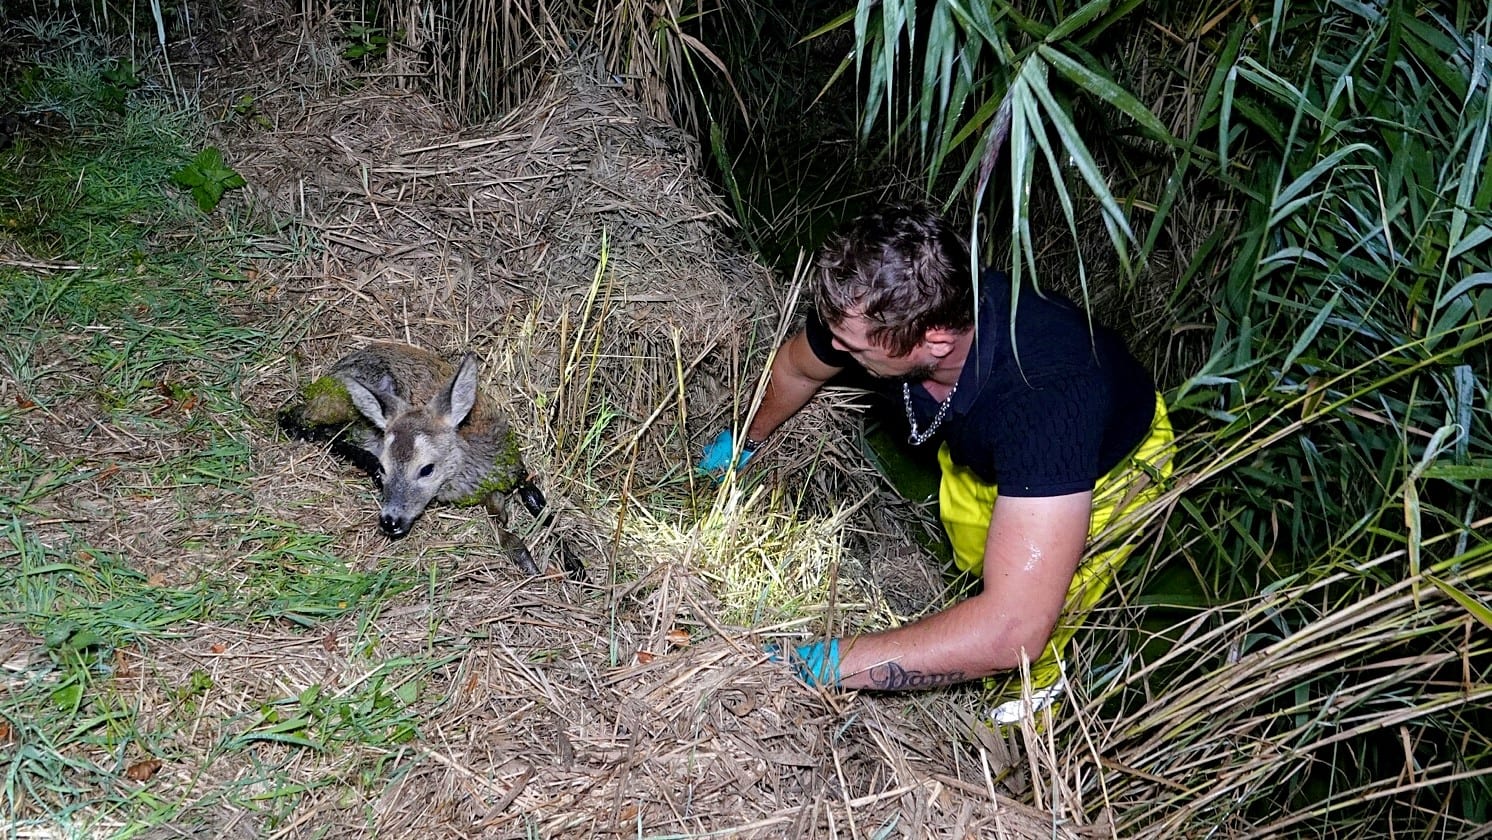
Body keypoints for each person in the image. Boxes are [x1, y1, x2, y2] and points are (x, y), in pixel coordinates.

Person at [698, 204, 1174, 720]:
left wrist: (823, 664)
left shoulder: (1047, 401)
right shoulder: (886, 307)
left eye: (850, 346)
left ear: (935, 342)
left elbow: (1011, 629)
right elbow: (796, 368)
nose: (833, 347)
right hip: (986, 450)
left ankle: (1029, 703)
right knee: (979, 558)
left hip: (1103, 473)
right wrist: (742, 440)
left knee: (1043, 615)